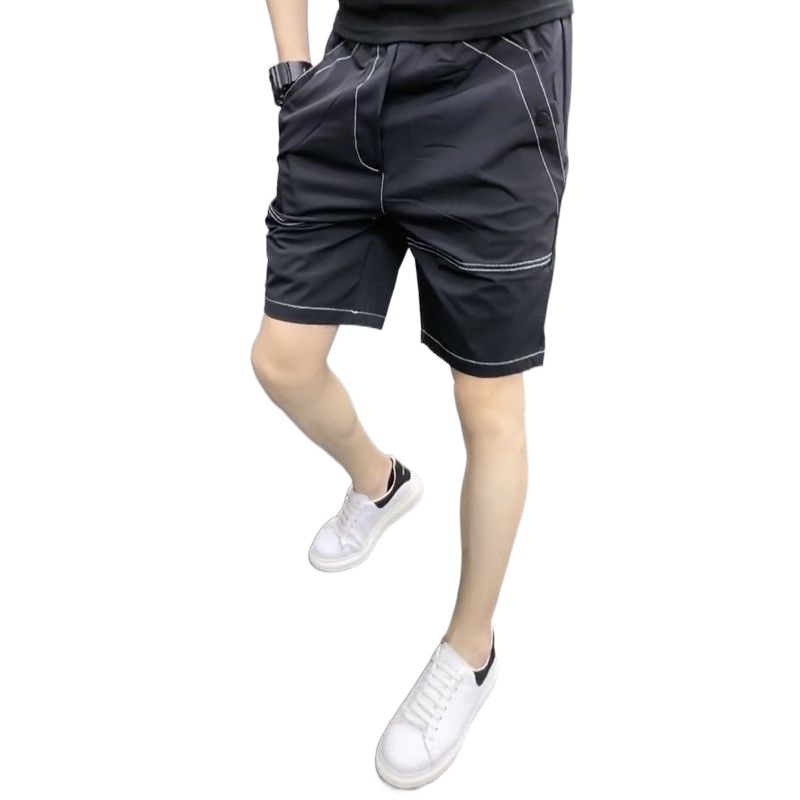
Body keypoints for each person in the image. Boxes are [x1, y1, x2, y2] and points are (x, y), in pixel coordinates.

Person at [251, 0, 573, 788]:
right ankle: (380, 481)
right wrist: (293, 69)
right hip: (351, 72)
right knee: (282, 362)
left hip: (496, 75)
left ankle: (471, 650)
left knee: (488, 403)